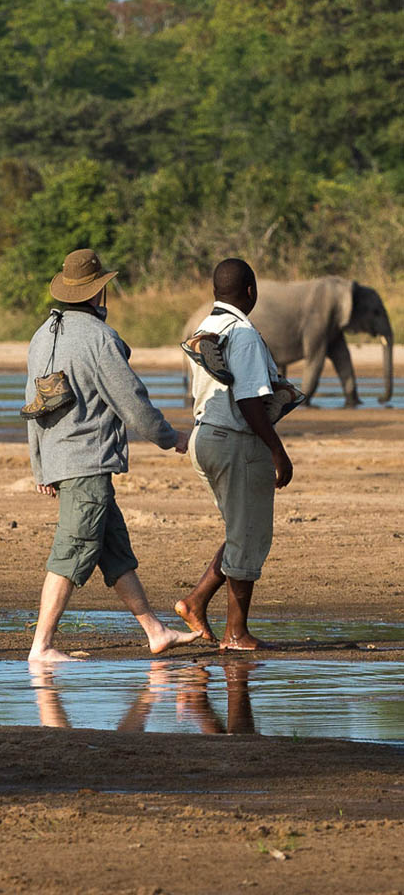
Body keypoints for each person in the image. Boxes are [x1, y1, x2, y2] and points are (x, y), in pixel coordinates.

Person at [26, 248, 198, 663]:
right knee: (71, 550)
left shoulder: (41, 334)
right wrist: (170, 437)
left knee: (114, 550)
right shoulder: (101, 338)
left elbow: (31, 405)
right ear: (98, 292)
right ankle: (42, 646)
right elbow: (132, 403)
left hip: (61, 461)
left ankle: (155, 632)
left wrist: (40, 465)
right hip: (86, 464)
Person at [174, 257, 294, 651]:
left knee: (240, 529)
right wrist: (278, 451)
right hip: (235, 440)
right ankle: (236, 633)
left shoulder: (206, 328)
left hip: (204, 438)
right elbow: (248, 400)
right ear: (250, 292)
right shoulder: (242, 333)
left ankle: (195, 602)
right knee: (248, 534)